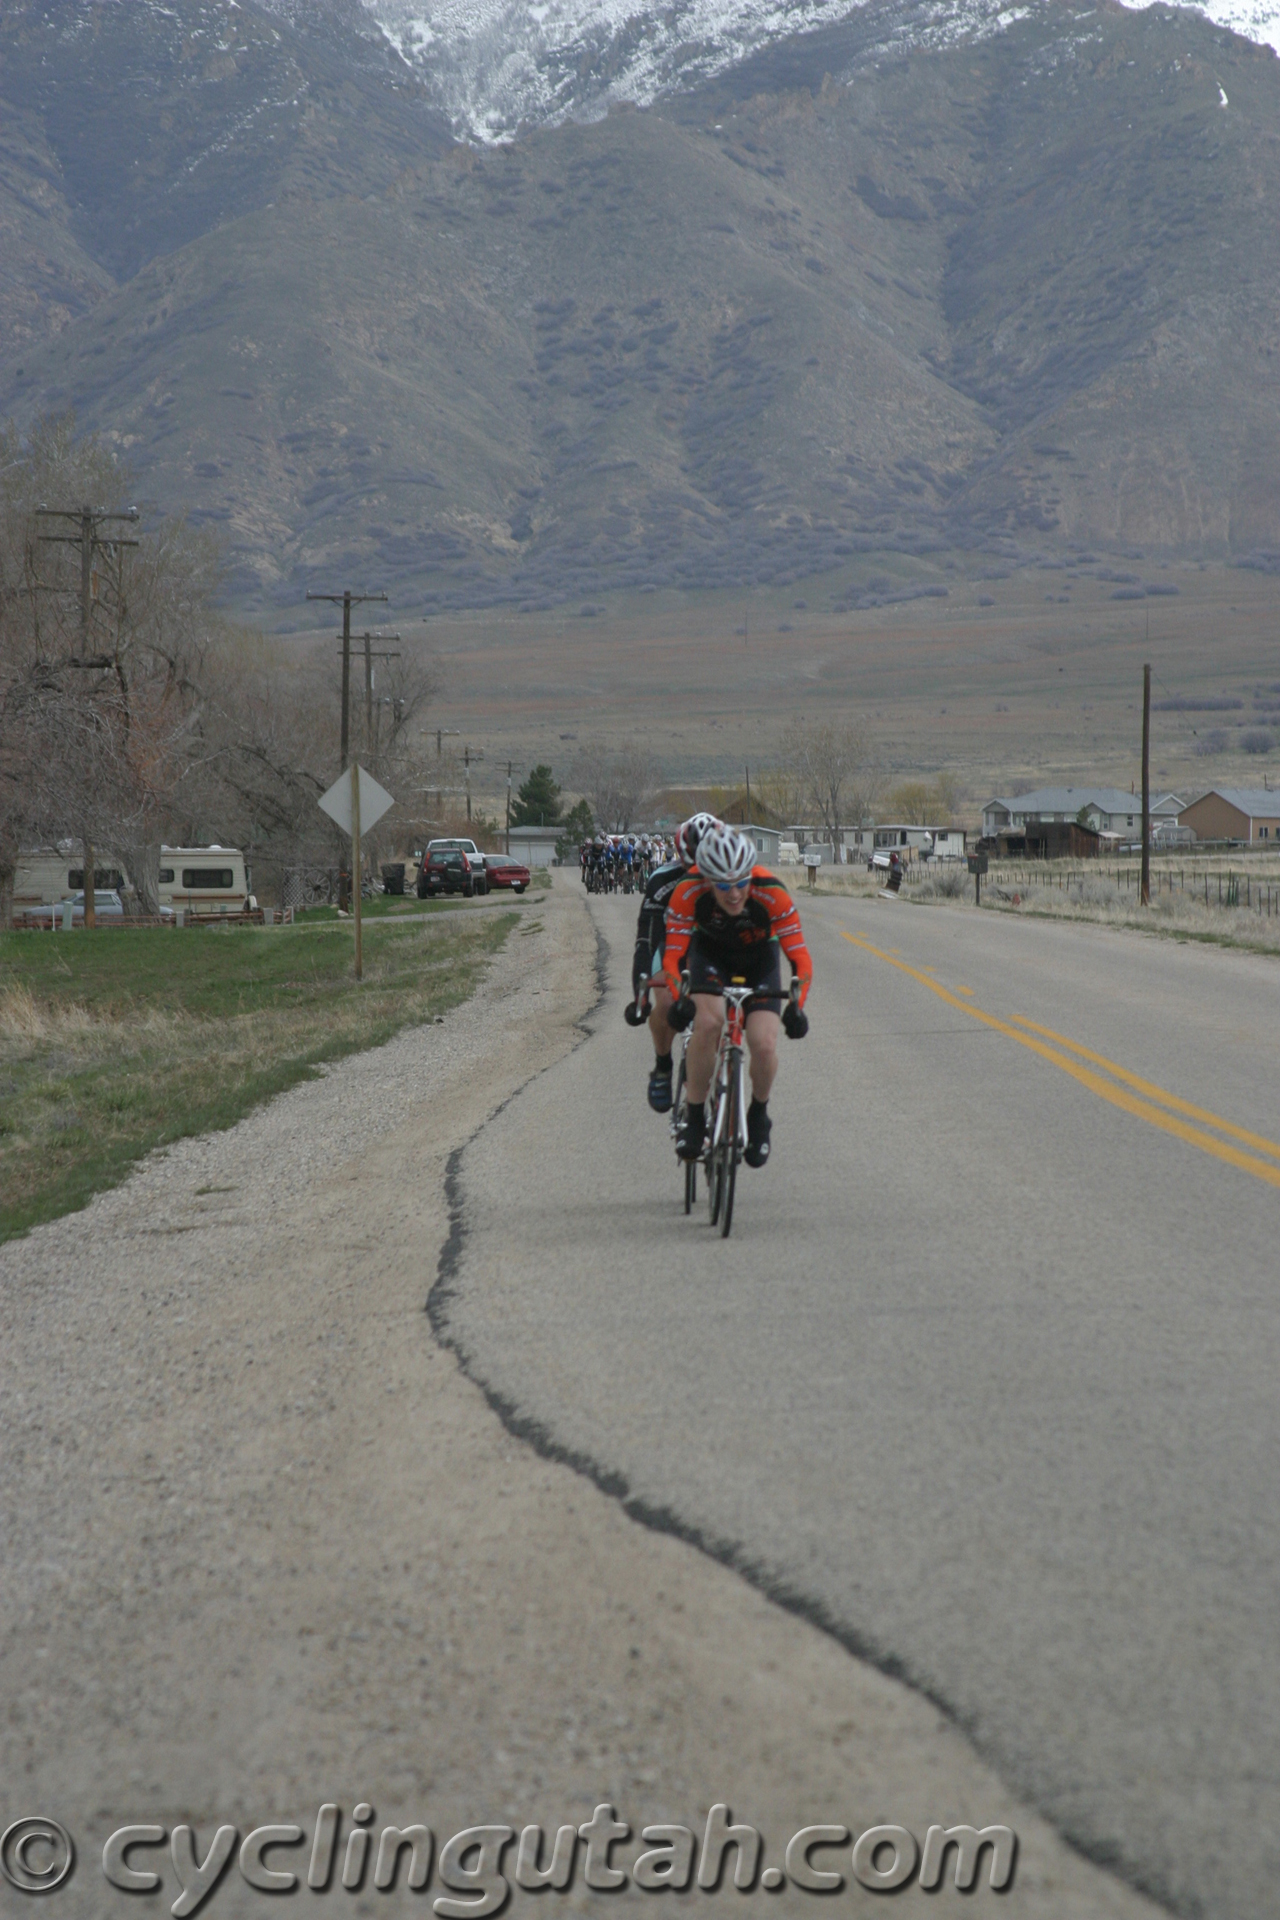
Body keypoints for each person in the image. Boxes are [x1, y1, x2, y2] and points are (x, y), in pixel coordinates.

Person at [663, 823, 811, 1168]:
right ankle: (696, 1115)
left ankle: (759, 1114)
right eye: (723, 885)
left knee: (763, 1042)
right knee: (710, 1023)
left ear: (751, 875)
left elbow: (800, 959)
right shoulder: (687, 891)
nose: (734, 893)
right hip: (710, 956)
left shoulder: (772, 892)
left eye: (741, 882)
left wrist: (797, 1007)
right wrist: (679, 998)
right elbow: (673, 956)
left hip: (760, 959)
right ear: (705, 880)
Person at [628, 812, 719, 1113]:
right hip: (671, 944)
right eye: (691, 866)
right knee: (666, 1004)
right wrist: (639, 994)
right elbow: (646, 940)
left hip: (713, 943)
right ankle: (663, 1064)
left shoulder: (733, 874)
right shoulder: (661, 880)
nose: (699, 874)